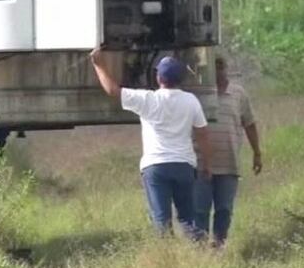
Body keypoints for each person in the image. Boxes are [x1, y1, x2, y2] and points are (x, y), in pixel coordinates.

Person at [90, 48, 213, 238]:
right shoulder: (191, 101)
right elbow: (203, 134)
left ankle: (164, 253)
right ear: (180, 79)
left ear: (158, 78)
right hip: (184, 165)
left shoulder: (147, 99)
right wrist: (207, 165)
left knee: (161, 220)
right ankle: (196, 250)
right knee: (188, 219)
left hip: (156, 167)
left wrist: (99, 65)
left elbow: (113, 90)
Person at [192, 55, 263, 248]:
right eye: (213, 69)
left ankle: (219, 245)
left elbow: (249, 124)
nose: (218, 72)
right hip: (200, 163)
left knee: (224, 209)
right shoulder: (197, 94)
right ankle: (199, 249)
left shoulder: (238, 94)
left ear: (226, 69)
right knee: (200, 209)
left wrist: (257, 153)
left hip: (229, 163)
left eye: (221, 67)